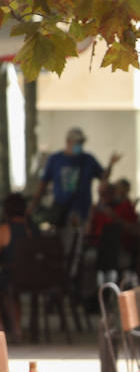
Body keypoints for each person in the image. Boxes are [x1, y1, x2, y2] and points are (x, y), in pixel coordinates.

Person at [36, 127, 119, 228]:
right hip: (61, 211)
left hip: (82, 210)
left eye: (81, 142)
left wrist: (111, 164)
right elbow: (43, 183)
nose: (79, 145)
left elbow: (103, 176)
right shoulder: (55, 159)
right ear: (68, 142)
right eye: (77, 142)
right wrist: (35, 203)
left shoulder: (88, 159)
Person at [0, 194, 31, 338]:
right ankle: (16, 327)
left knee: (6, 288)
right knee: (11, 293)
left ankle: (3, 331)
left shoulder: (5, 230)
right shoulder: (31, 230)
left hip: (11, 277)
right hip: (35, 277)